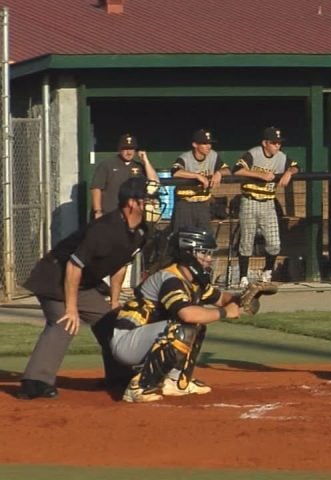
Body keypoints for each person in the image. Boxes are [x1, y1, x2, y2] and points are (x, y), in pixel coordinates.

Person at [17, 177, 156, 399]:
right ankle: (34, 382)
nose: (152, 204)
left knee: (111, 322)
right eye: (146, 200)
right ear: (131, 203)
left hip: (84, 282)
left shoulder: (140, 232)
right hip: (54, 275)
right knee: (64, 323)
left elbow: (120, 264)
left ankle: (119, 376)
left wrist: (114, 300)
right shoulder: (105, 229)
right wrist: (72, 308)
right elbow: (73, 265)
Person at [108, 227, 241, 403]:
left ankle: (174, 381)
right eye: (203, 253)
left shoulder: (192, 280)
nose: (208, 259)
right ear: (187, 253)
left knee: (196, 327)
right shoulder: (170, 279)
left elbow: (221, 298)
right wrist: (224, 312)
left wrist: (243, 299)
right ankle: (140, 386)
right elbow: (187, 314)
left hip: (146, 337)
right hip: (127, 341)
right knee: (183, 328)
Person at [233, 126, 300, 287]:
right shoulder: (254, 153)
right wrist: (260, 175)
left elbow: (296, 166)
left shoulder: (281, 157)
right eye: (274, 143)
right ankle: (243, 277)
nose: (277, 146)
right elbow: (237, 170)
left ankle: (267, 272)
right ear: (265, 143)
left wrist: (289, 172)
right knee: (246, 241)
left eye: (279, 143)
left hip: (268, 202)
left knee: (274, 242)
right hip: (250, 200)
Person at [171, 129, 231, 232]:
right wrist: (197, 176)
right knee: (183, 239)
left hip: (203, 203)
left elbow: (228, 170)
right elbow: (175, 172)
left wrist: (219, 173)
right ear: (195, 144)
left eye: (210, 143)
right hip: (185, 203)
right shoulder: (185, 157)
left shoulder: (213, 155)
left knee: (206, 238)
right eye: (204, 143)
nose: (209, 146)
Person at [90, 133, 158, 218]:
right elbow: (96, 188)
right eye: (125, 149)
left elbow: (154, 181)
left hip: (132, 215)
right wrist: (98, 211)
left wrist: (146, 161)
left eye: (131, 149)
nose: (129, 152)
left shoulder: (139, 166)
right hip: (110, 213)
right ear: (119, 149)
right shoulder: (107, 165)